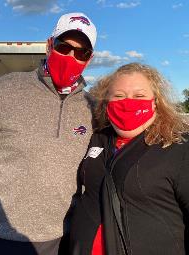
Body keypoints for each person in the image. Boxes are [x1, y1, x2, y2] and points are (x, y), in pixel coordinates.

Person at [0, 12, 97, 255]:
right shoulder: (5, 90)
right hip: (1, 237)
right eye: (64, 47)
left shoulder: (90, 107)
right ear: (49, 46)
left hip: (62, 239)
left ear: (89, 59)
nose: (71, 56)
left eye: (81, 53)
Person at [69, 62, 189, 255]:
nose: (128, 102)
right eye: (119, 96)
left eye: (139, 96)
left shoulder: (179, 147)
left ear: (156, 101)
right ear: (106, 102)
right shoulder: (99, 138)